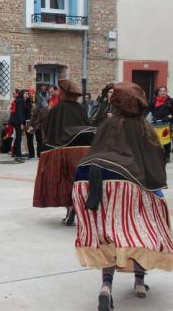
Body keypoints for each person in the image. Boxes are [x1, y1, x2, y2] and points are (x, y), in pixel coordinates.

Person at [73, 82, 173, 310]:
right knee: (142, 230)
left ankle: (106, 287)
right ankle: (139, 282)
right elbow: (156, 162)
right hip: (127, 181)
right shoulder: (143, 128)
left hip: (89, 177)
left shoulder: (108, 125)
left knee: (108, 235)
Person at [33, 79, 95, 225]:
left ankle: (69, 209)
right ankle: (78, 206)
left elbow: (48, 130)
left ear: (64, 93)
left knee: (64, 181)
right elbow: (87, 125)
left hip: (61, 152)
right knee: (78, 181)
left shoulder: (56, 109)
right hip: (83, 151)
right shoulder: (80, 109)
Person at [149, 85, 173, 163]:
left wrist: (169, 116)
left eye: (164, 91)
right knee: (156, 140)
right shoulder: (153, 101)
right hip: (156, 123)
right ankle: (157, 156)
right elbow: (150, 110)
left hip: (166, 123)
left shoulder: (170, 101)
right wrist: (154, 117)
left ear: (166, 92)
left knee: (166, 140)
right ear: (158, 92)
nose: (162, 92)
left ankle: (167, 156)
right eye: (161, 91)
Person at [9, 90, 27, 162]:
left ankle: (17, 154)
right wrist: (22, 123)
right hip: (18, 122)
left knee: (17, 138)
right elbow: (20, 113)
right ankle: (18, 155)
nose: (27, 95)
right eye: (26, 93)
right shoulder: (20, 101)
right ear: (22, 94)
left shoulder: (20, 100)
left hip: (16, 121)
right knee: (18, 139)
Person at [25, 88, 36, 159]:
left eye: (32, 93)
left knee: (39, 139)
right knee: (29, 139)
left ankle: (39, 154)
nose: (31, 95)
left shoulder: (38, 101)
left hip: (37, 122)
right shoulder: (26, 102)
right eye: (29, 93)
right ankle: (31, 154)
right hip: (29, 122)